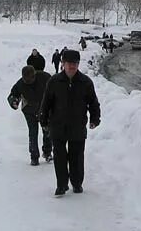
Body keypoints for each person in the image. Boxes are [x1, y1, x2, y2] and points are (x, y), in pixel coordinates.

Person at [39, 49, 100, 197]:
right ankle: (62, 185)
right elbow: (46, 102)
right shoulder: (54, 82)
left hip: (77, 125)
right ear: (63, 64)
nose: (72, 67)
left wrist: (94, 119)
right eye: (69, 64)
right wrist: (43, 119)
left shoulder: (86, 82)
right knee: (59, 157)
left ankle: (77, 183)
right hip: (57, 125)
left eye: (75, 64)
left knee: (77, 156)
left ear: (78, 64)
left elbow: (93, 103)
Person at [7, 65, 52, 165]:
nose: (28, 81)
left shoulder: (44, 77)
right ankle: (34, 157)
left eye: (30, 78)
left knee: (47, 130)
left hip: (44, 109)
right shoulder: (20, 84)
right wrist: (14, 102)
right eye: (25, 79)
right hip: (29, 110)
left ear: (34, 75)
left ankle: (47, 152)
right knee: (33, 132)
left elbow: (55, 87)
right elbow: (13, 95)